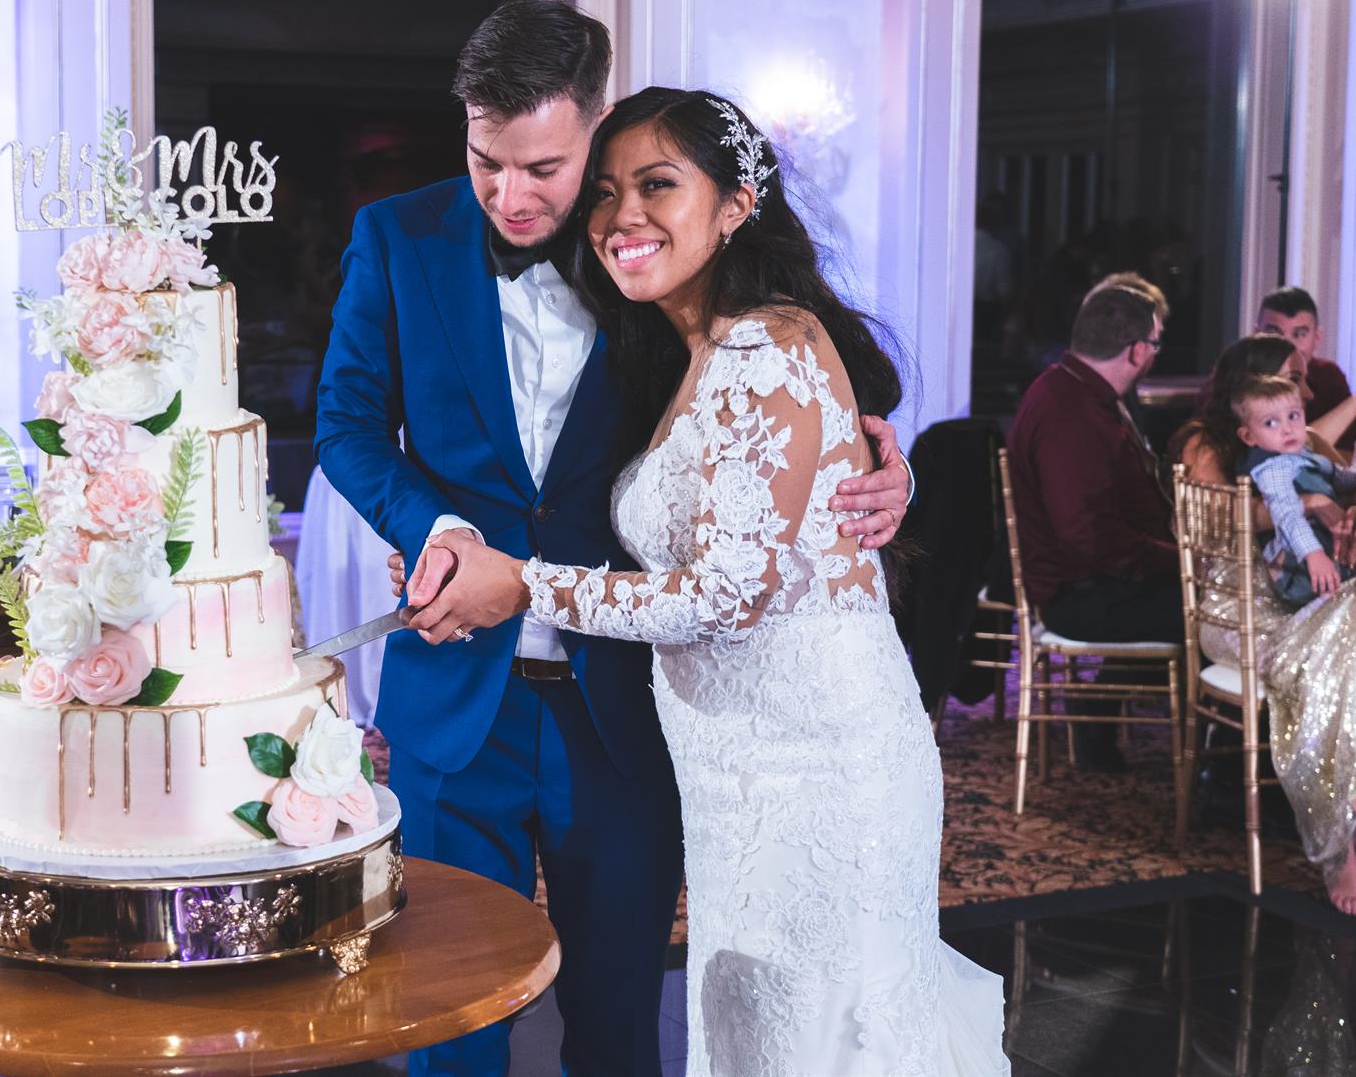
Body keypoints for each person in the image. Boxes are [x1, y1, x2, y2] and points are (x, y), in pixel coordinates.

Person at [314, 0, 916, 1077]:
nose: (511, 196)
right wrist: (435, 525)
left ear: (595, 123)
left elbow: (791, 390)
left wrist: (878, 460)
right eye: (486, 162)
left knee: (620, 1020)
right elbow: (346, 424)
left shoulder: (648, 247)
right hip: (457, 702)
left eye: (544, 168)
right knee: (448, 1021)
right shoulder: (396, 237)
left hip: (630, 703)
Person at [393, 88, 1005, 1075]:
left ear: (735, 205)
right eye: (604, 191)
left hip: (816, 762)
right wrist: (455, 551)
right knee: (756, 1031)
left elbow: (727, 594)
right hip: (729, 768)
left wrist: (520, 584)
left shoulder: (768, 344)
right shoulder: (680, 351)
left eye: (657, 185)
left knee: (824, 1035)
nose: (620, 214)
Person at [1177, 339, 1356, 914]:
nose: (1307, 394)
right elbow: (1233, 519)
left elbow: (1345, 482)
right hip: (1238, 609)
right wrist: (1308, 506)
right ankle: (1340, 848)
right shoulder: (1208, 445)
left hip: (1301, 600)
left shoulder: (1294, 438)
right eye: (1294, 379)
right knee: (1336, 653)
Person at [1005, 276, 1179, 772]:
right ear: (1138, 351)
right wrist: (1180, 561)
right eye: (1155, 344)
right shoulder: (1070, 413)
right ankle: (1224, 772)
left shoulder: (1075, 391)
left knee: (1209, 600)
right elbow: (1089, 540)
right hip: (1078, 596)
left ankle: (1099, 712)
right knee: (1215, 613)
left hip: (1095, 581)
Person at [1233, 374, 1356, 606]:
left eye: (1293, 416)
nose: (1287, 429)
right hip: (1299, 566)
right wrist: (1313, 554)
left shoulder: (1305, 456)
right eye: (1271, 423)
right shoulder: (1272, 470)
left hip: (1330, 550)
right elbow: (1288, 514)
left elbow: (1338, 476)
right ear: (1248, 436)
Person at [1259, 285, 1356, 450]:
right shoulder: (1238, 379)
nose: (1287, 345)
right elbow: (1291, 454)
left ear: (1317, 338)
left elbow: (1351, 451)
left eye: (1299, 334)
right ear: (1256, 334)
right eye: (1274, 333)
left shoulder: (1328, 376)